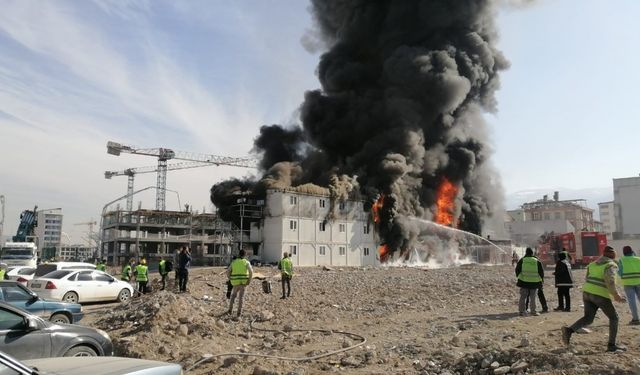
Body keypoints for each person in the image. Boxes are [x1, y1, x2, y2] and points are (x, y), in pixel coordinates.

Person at [562, 246, 627, 352]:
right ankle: (611, 345)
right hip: (600, 294)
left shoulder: (592, 264)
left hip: (587, 293)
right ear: (612, 255)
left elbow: (587, 278)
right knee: (614, 318)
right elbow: (610, 280)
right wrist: (616, 295)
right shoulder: (610, 265)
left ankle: (569, 330)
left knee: (588, 318)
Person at [516, 247, 544, 316]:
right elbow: (541, 272)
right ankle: (533, 312)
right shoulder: (536, 261)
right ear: (532, 253)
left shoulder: (522, 260)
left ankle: (522, 312)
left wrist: (519, 277)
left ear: (526, 252)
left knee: (523, 297)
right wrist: (541, 280)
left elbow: (517, 270)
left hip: (524, 282)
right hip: (534, 282)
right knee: (533, 297)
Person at [227, 249, 253, 319]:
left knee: (233, 296)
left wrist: (230, 278)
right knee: (241, 298)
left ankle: (230, 310)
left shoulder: (234, 262)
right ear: (245, 255)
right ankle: (239, 313)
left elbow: (228, 272)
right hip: (243, 283)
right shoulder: (246, 262)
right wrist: (249, 280)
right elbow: (251, 272)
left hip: (235, 282)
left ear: (239, 254)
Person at [618, 245, 640, 325]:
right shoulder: (638, 259)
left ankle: (636, 319)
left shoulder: (622, 260)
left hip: (628, 283)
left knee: (632, 301)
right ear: (632, 251)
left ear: (624, 252)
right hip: (639, 281)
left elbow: (620, 272)